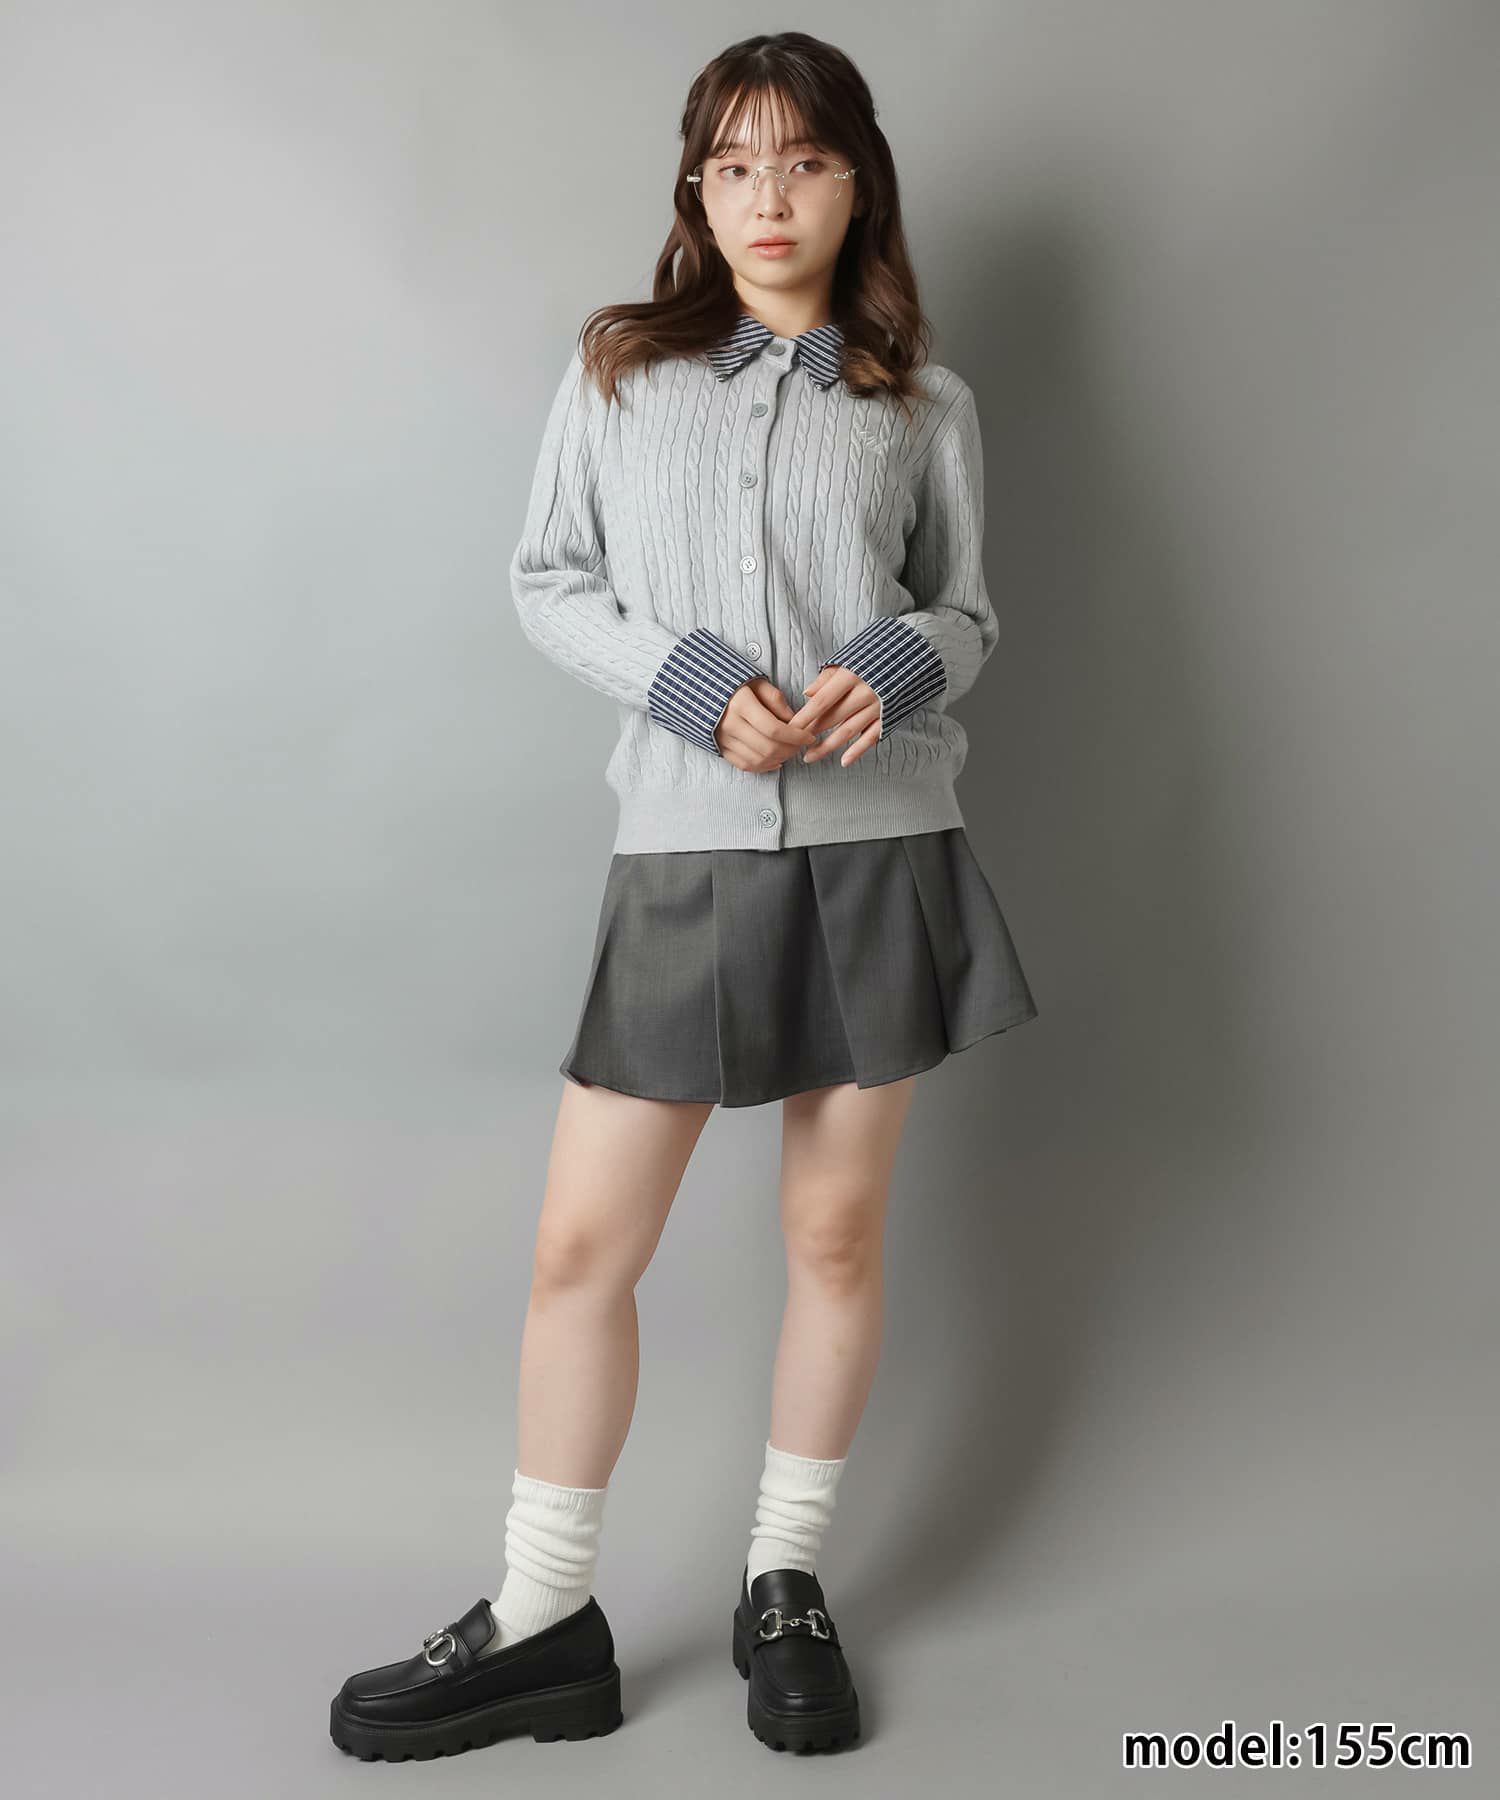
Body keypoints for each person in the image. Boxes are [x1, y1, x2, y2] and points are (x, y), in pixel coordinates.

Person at [329, 28, 1038, 1763]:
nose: (764, 196)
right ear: (695, 190)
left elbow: (967, 609)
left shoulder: (923, 401)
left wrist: (898, 660)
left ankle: (784, 1581)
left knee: (834, 1236)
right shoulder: (619, 371)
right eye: (730, 164)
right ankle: (543, 1612)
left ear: (858, 181)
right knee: (583, 1246)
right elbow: (548, 578)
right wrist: (691, 685)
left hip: (879, 850)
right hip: (684, 845)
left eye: (801, 160)